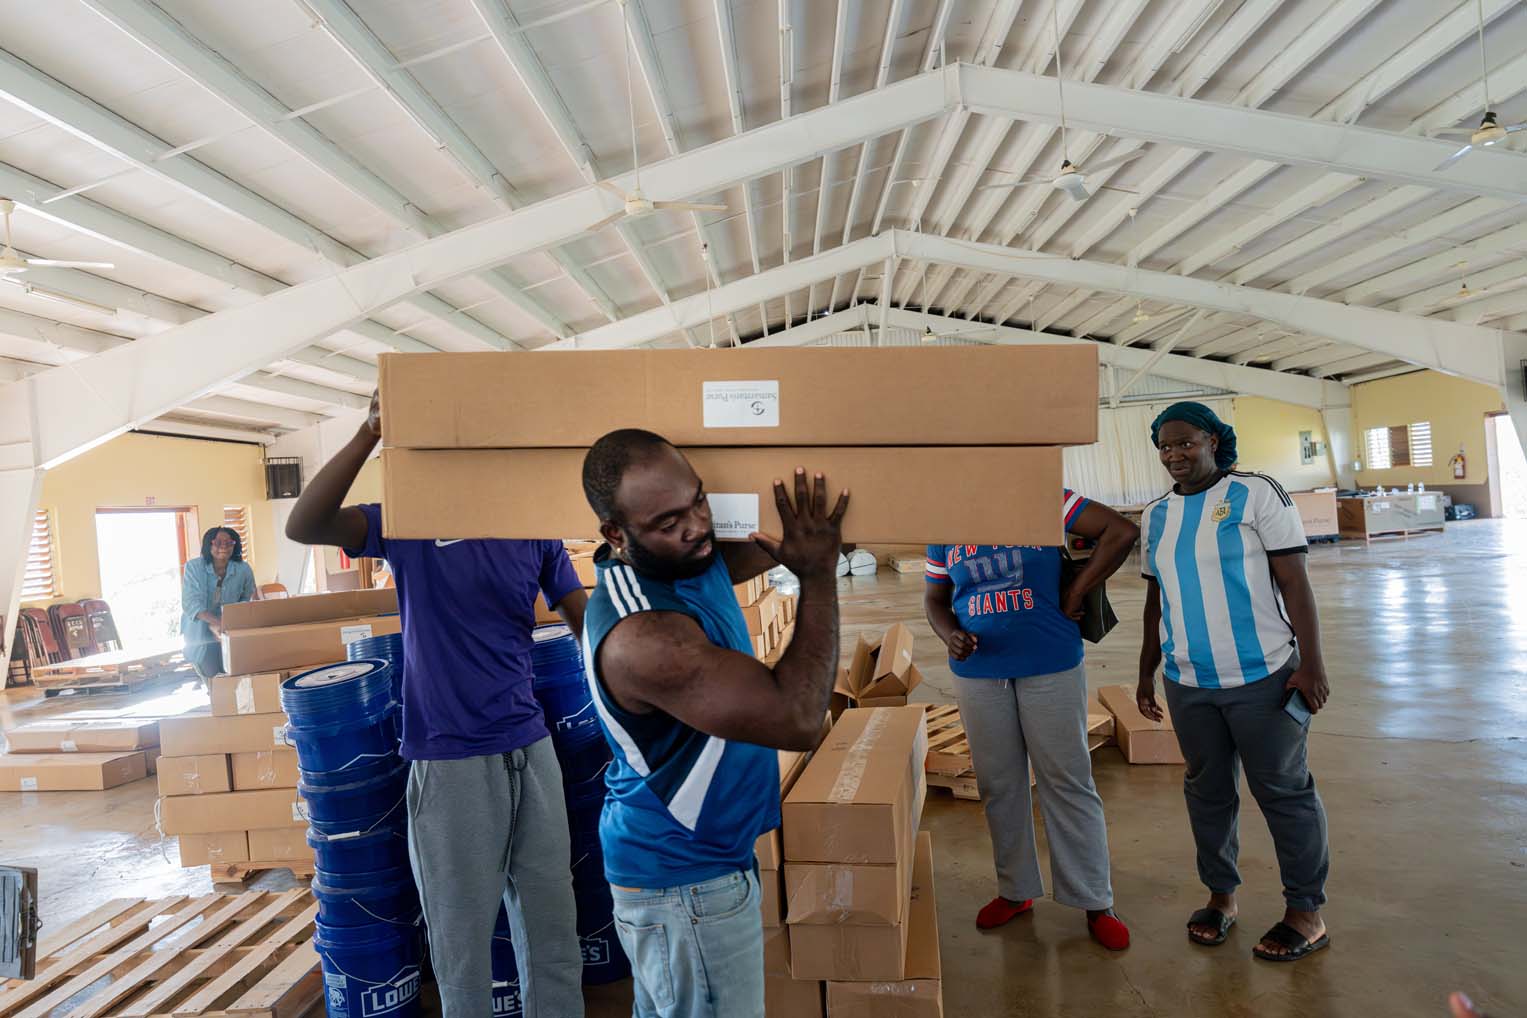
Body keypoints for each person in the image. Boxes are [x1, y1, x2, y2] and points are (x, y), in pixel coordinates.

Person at [285, 393, 589, 1018]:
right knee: (462, 947)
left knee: (553, 931)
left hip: (530, 749)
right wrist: (368, 433)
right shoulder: (411, 524)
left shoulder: (532, 526)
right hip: (450, 760)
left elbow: (587, 624)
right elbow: (306, 526)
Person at [578, 429, 847, 1018]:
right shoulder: (645, 639)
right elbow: (799, 718)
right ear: (616, 535)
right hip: (683, 883)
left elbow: (767, 543)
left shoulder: (681, 560)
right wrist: (819, 579)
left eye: (698, 501)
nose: (697, 525)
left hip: (693, 868)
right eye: (669, 521)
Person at [1135, 401, 1332, 963]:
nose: (1175, 454)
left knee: (1284, 793)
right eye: (1165, 446)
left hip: (1262, 676)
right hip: (1188, 680)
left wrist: (1311, 663)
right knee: (1208, 791)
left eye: (1186, 442)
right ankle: (1222, 898)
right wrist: (1147, 671)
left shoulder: (1257, 494)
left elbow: (1295, 583)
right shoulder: (1155, 516)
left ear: (1214, 441)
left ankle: (1306, 912)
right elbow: (1156, 599)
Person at [924, 491, 1139, 949]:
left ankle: (1095, 900)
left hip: (1051, 660)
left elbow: (1121, 531)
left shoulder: (1043, 496)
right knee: (999, 783)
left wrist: (1076, 591)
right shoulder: (942, 522)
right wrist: (950, 635)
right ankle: (1016, 889)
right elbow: (935, 599)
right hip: (979, 673)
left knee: (1067, 779)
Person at [180, 526, 257, 679]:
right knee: (214, 678)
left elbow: (247, 598)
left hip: (230, 630)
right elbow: (192, 603)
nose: (224, 546)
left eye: (229, 543)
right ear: (209, 545)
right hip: (200, 633)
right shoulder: (193, 567)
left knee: (235, 675)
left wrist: (229, 623)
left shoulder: (244, 569)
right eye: (218, 542)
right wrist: (216, 623)